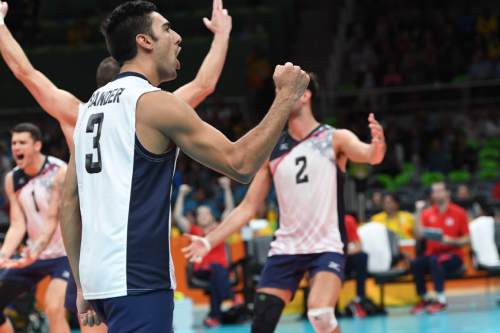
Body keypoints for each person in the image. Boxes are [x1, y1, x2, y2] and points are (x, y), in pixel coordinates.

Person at [60, 1, 310, 332]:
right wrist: (285, 99)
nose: (177, 37)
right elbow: (241, 164)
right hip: (137, 278)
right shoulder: (152, 103)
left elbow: (68, 202)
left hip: (99, 281)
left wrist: (80, 284)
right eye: (166, 29)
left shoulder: (88, 110)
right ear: (144, 41)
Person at [0, 0, 232, 330]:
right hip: (131, 262)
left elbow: (27, 73)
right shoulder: (150, 107)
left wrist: (0, 26)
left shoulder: (79, 113)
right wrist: (222, 35)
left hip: (90, 259)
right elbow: (205, 84)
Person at [183, 73, 386, 333]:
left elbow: (369, 155)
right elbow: (248, 207)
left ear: (305, 94)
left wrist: (377, 147)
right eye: (279, 90)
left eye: (287, 89)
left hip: (326, 245)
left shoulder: (335, 138)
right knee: (262, 323)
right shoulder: (273, 150)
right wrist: (209, 239)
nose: (281, 95)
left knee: (321, 314)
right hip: (286, 247)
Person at [0, 123, 69, 333]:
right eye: (14, 143)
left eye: (22, 142)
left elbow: (53, 220)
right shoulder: (12, 179)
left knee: (53, 307)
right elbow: (18, 224)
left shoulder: (59, 171)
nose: (16, 148)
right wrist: (3, 255)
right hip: (33, 255)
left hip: (65, 254)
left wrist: (36, 249)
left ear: (37, 145)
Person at [174, 177, 239, 327]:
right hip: (201, 270)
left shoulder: (219, 229)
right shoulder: (194, 230)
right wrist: (181, 195)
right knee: (216, 270)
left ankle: (214, 316)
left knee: (216, 275)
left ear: (212, 215)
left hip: (218, 271)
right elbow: (178, 216)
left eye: (206, 213)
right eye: (200, 214)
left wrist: (227, 188)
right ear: (197, 218)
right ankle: (229, 298)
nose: (203, 216)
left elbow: (230, 210)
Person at [410, 182, 470, 314]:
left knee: (435, 261)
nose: (436, 194)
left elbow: (467, 239)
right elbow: (419, 235)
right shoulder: (426, 214)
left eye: (439, 191)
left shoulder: (459, 213)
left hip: (454, 256)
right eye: (434, 192)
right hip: (432, 254)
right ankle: (425, 298)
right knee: (415, 263)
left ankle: (441, 300)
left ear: (447, 193)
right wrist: (418, 213)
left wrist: (452, 241)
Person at [343, 214, 368, 318]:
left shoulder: (348, 220)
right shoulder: (322, 219)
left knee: (362, 256)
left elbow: (358, 246)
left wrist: (345, 252)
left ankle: (359, 298)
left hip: (343, 257)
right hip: (325, 258)